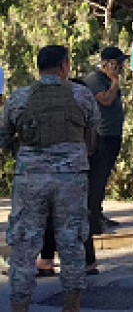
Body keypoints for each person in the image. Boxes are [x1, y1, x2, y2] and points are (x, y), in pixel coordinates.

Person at [1, 45, 100, 312]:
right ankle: (71, 305)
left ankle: (19, 305)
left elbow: (3, 136)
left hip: (30, 178)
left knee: (24, 243)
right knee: (71, 241)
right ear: (64, 66)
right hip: (71, 179)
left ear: (38, 67)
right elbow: (94, 134)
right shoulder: (82, 95)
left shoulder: (19, 97)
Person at [82, 46, 128, 232]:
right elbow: (106, 100)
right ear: (106, 63)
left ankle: (98, 213)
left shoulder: (109, 80)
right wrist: (115, 81)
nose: (121, 66)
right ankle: (92, 218)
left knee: (104, 177)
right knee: (97, 178)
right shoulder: (95, 79)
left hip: (113, 134)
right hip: (101, 135)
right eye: (118, 63)